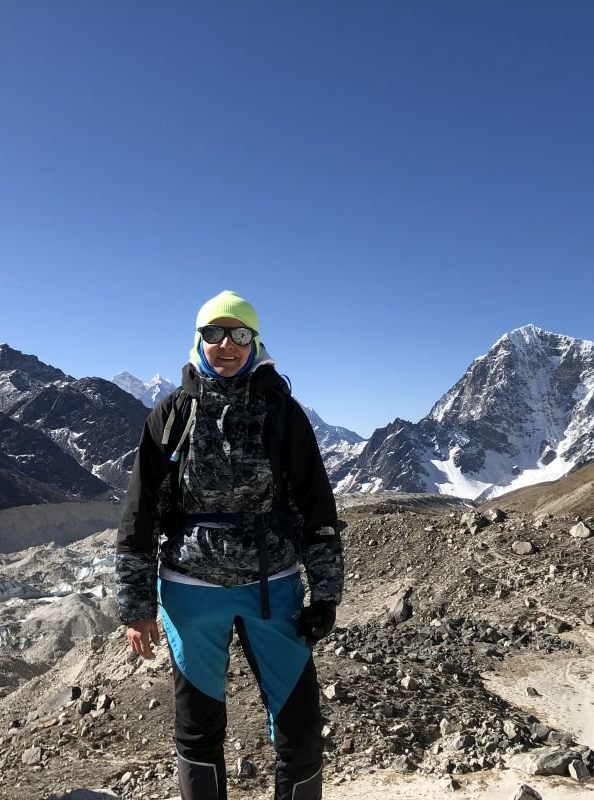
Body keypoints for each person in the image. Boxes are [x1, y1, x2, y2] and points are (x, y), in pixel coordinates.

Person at [115, 290, 343, 800]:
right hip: (190, 592)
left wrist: (326, 594)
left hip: (273, 587)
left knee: (302, 732)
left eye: (239, 334)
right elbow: (139, 514)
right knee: (198, 730)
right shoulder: (172, 414)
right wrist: (136, 606)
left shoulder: (282, 412)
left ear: (254, 341)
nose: (226, 344)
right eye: (214, 333)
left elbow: (315, 506)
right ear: (198, 340)